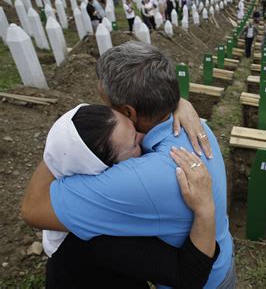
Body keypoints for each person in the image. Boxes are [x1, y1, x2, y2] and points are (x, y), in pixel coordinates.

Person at [22, 41, 235, 288]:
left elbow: (32, 209)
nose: (106, 113)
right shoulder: (197, 126)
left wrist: (59, 152)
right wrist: (180, 103)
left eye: (107, 104)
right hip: (224, 263)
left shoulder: (137, 178)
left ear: (129, 113)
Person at [41, 104, 219, 288]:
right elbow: (188, 276)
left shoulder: (74, 183)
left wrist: (177, 104)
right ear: (109, 168)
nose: (144, 137)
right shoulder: (102, 236)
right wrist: (205, 209)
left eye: (135, 129)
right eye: (134, 142)